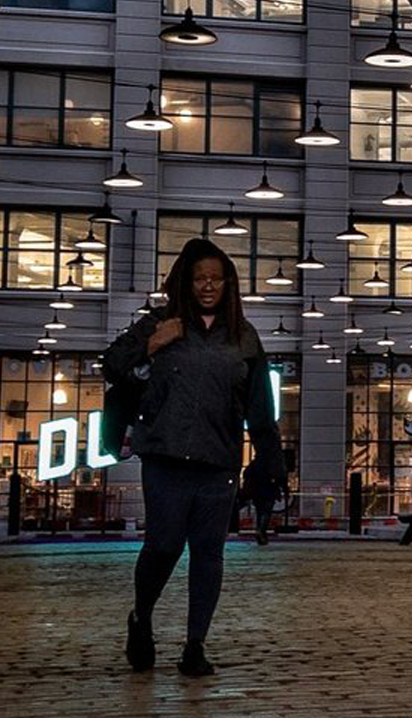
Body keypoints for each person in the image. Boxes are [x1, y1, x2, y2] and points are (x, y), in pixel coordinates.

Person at [100, 238, 286, 677]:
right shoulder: (159, 323)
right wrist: (153, 343)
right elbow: (112, 365)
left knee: (208, 552)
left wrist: (271, 460)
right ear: (185, 281)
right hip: (164, 457)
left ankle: (195, 646)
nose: (207, 286)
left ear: (228, 284)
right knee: (163, 546)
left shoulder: (243, 337)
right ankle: (141, 618)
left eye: (215, 279)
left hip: (218, 461)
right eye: (199, 278)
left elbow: (260, 408)